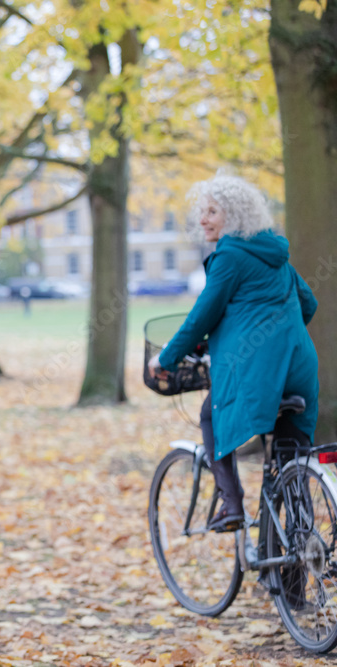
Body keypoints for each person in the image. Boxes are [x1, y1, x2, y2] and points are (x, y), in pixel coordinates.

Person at [148, 173, 319, 532]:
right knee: (291, 463)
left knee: (210, 415)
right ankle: (296, 564)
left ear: (236, 216)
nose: (203, 219)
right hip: (300, 366)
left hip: (258, 370)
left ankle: (232, 505)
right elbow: (308, 304)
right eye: (202, 211)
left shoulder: (229, 255)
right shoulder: (275, 254)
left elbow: (201, 317)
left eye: (212, 211)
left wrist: (165, 360)